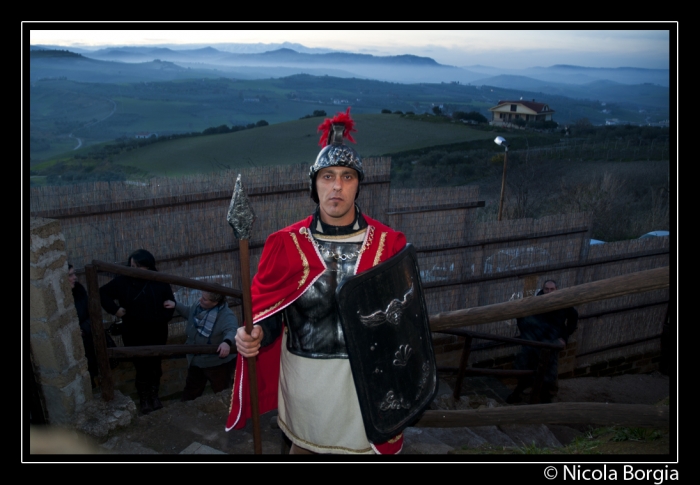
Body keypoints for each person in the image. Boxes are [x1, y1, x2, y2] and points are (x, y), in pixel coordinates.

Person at [226, 108, 410, 455]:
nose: (336, 186)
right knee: (305, 450)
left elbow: (404, 324)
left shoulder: (390, 244)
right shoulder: (286, 244)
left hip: (366, 382)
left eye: (347, 176)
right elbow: (267, 311)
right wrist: (253, 334)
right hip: (307, 379)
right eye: (327, 176)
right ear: (314, 184)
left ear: (359, 184)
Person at [99, 249, 175, 414]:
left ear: (148, 267)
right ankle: (144, 399)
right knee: (141, 367)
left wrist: (164, 314)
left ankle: (154, 396)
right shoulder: (123, 281)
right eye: (132, 265)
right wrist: (115, 309)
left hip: (157, 331)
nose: (134, 269)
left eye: (139, 266)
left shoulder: (160, 280)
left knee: (155, 365)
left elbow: (170, 302)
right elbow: (102, 293)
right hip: (133, 332)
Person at [507, 279, 579, 404]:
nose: (549, 291)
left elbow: (573, 318)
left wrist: (564, 337)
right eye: (547, 289)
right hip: (535, 342)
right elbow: (522, 317)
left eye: (552, 289)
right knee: (527, 367)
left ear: (556, 290)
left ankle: (547, 397)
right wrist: (528, 336)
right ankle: (520, 392)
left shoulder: (563, 302)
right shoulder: (536, 302)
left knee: (550, 369)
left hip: (552, 341)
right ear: (543, 289)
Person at [163, 291, 237, 401]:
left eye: (205, 299)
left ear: (215, 302)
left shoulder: (226, 315)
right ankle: (187, 411)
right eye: (202, 297)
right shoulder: (198, 307)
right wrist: (176, 305)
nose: (200, 300)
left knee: (221, 390)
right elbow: (189, 312)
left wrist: (226, 342)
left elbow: (232, 329)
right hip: (196, 359)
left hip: (216, 363)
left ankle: (228, 412)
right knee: (191, 391)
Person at [69, 264, 99, 388]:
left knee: (89, 376)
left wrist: (84, 329)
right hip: (70, 347)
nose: (75, 277)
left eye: (74, 273)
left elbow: (91, 314)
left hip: (86, 342)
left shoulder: (79, 291)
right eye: (70, 275)